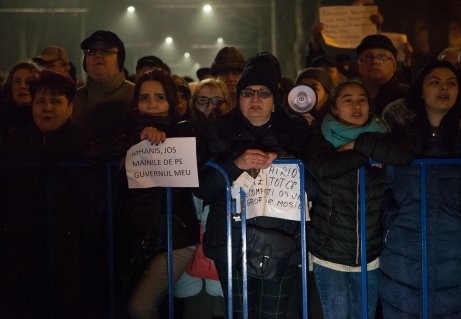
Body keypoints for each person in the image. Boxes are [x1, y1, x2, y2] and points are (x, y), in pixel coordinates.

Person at [195, 52, 308, 318]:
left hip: (281, 242)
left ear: (275, 100)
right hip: (231, 241)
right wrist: (235, 164)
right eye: (247, 92)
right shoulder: (217, 131)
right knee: (239, 314)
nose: (255, 99)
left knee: (273, 314)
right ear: (238, 98)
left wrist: (283, 162)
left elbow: (313, 186)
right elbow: (202, 187)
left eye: (263, 93)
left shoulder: (297, 132)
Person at [302, 80, 413, 319]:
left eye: (362, 99)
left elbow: (403, 155)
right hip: (329, 250)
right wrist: (368, 153)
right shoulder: (320, 134)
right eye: (348, 99)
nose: (357, 105)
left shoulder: (383, 132)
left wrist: (359, 144)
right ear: (333, 108)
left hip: (369, 251)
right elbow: (324, 167)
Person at [0, 70, 106, 318]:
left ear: (70, 106)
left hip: (73, 253)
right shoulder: (15, 144)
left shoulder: (86, 143)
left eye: (55, 101)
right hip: (23, 251)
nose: (46, 108)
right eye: (40, 101)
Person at [380, 60, 461, 318]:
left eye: (451, 83)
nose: (443, 88)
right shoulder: (397, 137)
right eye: (435, 82)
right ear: (421, 90)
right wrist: (393, 221)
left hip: (455, 252)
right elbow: (385, 187)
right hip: (403, 251)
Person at [118, 68, 207, 319]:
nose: (152, 104)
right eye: (144, 97)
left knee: (140, 306)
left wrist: (160, 141)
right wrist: (136, 140)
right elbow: (94, 153)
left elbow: (198, 158)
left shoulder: (187, 129)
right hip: (136, 237)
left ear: (170, 100)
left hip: (175, 239)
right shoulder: (124, 130)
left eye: (159, 97)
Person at [72, 30, 135, 151]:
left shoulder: (136, 95)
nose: (98, 55)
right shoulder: (74, 98)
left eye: (106, 51)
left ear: (120, 59)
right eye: (91, 51)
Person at [356, 34, 409, 116]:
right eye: (367, 57)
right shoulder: (350, 97)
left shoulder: (409, 98)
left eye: (381, 57)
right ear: (359, 64)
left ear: (394, 64)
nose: (374, 61)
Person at [0, 61, 40, 141]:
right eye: (17, 81)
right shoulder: (3, 117)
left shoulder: (45, 118)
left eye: (28, 82)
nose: (22, 86)